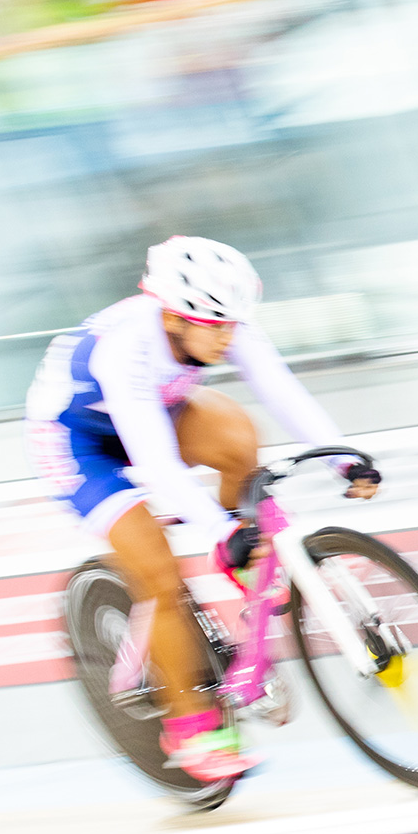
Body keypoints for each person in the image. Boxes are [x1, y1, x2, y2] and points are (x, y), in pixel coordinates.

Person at [25, 237, 380, 780]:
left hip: (148, 410)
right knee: (158, 575)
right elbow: (156, 461)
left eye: (233, 326)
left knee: (238, 437)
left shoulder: (220, 320)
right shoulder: (128, 348)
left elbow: (279, 387)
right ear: (172, 318)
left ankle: (236, 560)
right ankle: (192, 731)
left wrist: (344, 461)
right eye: (214, 328)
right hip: (79, 443)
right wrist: (217, 527)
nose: (227, 338)